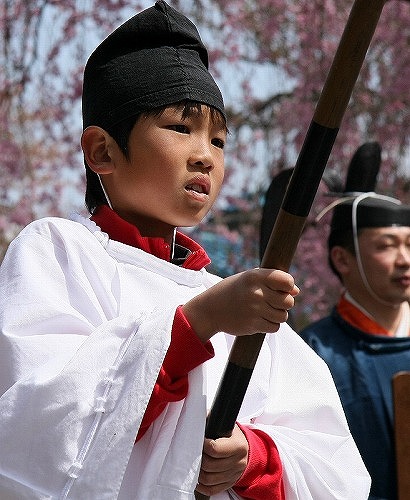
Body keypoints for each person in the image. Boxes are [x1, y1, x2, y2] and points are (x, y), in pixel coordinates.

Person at [0, 2, 370, 499]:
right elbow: (38, 425)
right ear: (102, 152)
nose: (205, 156)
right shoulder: (60, 252)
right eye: (181, 128)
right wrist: (194, 325)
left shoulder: (231, 299)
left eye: (218, 140)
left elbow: (334, 466)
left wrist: (255, 457)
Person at [300, 144, 410, 500]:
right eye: (387, 246)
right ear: (342, 260)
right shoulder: (312, 354)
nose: (404, 260)